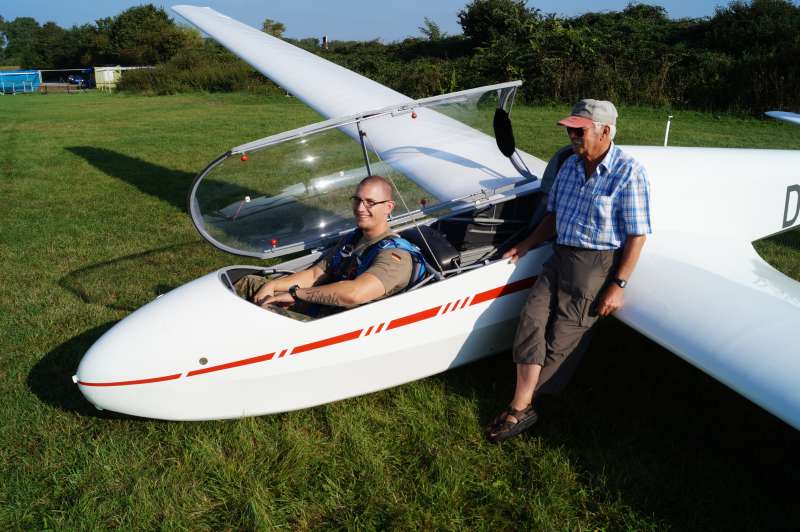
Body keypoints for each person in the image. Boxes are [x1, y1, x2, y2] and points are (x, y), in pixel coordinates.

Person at [487, 99, 652, 442]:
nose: (572, 136)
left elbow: (637, 234)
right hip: (560, 253)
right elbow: (553, 217)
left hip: (596, 263)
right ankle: (522, 406)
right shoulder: (570, 165)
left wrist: (618, 283)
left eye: (580, 130)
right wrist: (528, 244)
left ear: (605, 131)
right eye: (570, 130)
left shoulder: (629, 172)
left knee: (561, 340)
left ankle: (522, 406)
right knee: (531, 319)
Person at [235, 175, 424, 314]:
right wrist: (274, 286)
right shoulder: (354, 238)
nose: (360, 208)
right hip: (322, 306)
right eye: (357, 200)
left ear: (388, 207)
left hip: (339, 327)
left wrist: (295, 294)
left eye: (370, 202)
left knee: (266, 312)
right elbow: (316, 273)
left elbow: (354, 294)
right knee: (245, 282)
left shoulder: (395, 257)